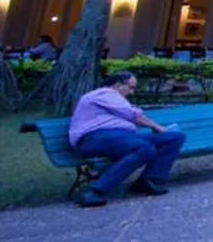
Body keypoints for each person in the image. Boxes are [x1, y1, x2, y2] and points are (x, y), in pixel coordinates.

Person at [67, 71, 184, 207]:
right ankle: (94, 191)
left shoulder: (114, 99)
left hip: (122, 137)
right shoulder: (103, 94)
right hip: (94, 138)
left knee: (174, 137)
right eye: (131, 87)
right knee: (143, 148)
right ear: (118, 85)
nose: (132, 92)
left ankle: (149, 180)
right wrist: (157, 127)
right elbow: (133, 114)